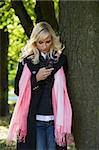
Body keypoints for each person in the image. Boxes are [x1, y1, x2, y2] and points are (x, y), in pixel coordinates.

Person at [7, 21, 72, 150]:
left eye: (48, 41)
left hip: (56, 120)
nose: (44, 46)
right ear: (34, 42)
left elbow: (66, 90)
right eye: (40, 42)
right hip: (34, 120)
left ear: (52, 40)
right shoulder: (27, 61)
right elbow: (18, 90)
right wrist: (36, 79)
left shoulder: (60, 60)